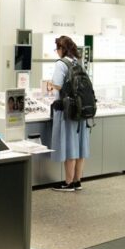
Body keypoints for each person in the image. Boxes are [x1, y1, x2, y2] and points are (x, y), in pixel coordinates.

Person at [47, 35, 90, 192]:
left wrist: (51, 84)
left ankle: (68, 182)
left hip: (68, 110)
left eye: (57, 48)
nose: (57, 51)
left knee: (70, 145)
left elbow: (58, 84)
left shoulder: (61, 63)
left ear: (61, 49)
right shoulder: (78, 62)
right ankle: (77, 181)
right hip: (81, 109)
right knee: (80, 146)